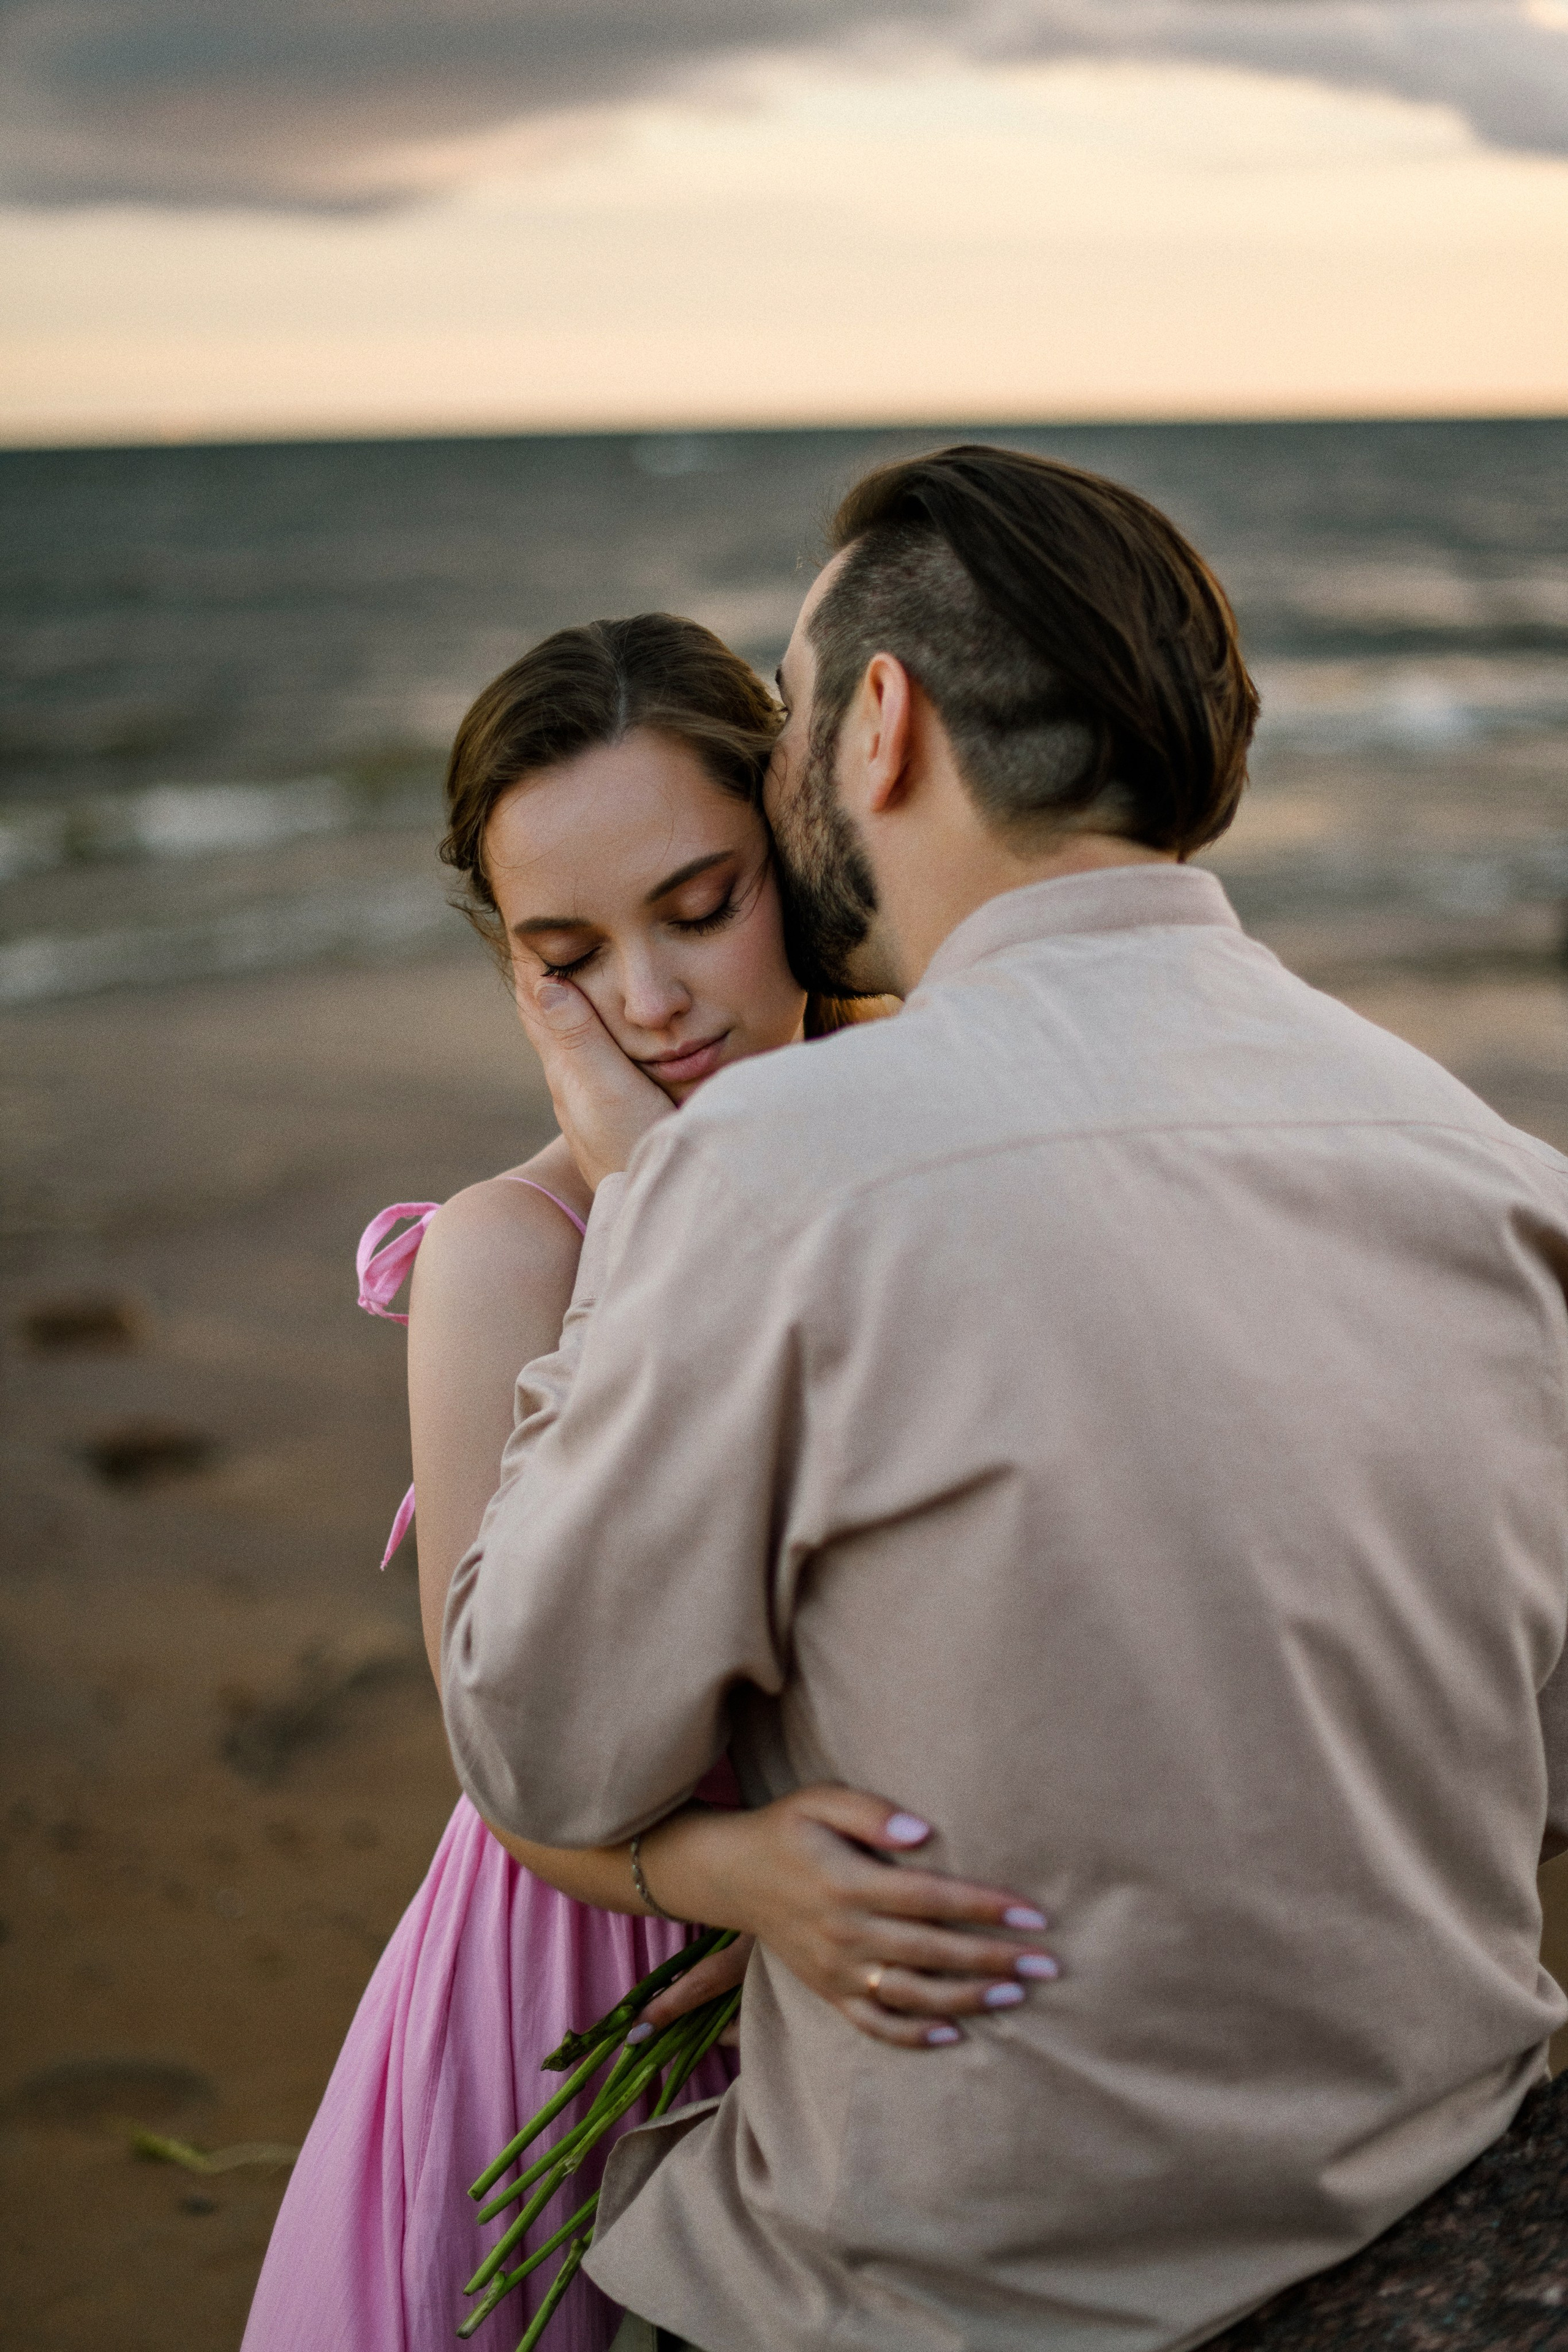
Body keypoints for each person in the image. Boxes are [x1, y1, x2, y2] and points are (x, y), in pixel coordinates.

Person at [441, 446, 1568, 2352]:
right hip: (1432, 2155)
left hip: (955, 2276)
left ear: (878, 725)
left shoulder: (772, 1167)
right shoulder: (1492, 1165)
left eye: (794, 709)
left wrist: (635, 1221)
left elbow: (545, 1748)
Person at [240, 612, 1054, 2352]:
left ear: (806, 857)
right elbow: (503, 1755)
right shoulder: (507, 1256)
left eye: (702, 908)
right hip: (581, 1963)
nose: (656, 998)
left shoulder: (945, 1122)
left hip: (867, 1964)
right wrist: (736, 1880)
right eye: (573, 953)